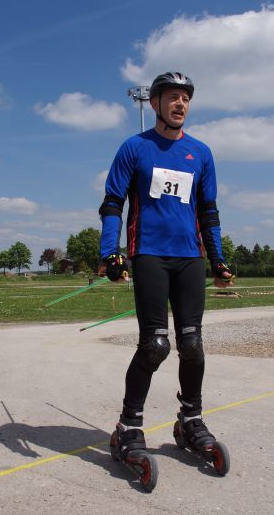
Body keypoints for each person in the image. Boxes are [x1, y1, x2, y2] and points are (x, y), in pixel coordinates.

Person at [97, 71, 233, 486]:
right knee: (155, 345)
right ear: (154, 103)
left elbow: (208, 212)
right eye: (172, 97)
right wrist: (109, 253)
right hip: (149, 254)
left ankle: (190, 421)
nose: (180, 104)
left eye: (185, 98)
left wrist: (218, 259)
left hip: (190, 257)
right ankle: (128, 428)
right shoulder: (134, 148)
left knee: (192, 344)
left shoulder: (201, 153)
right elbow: (112, 203)